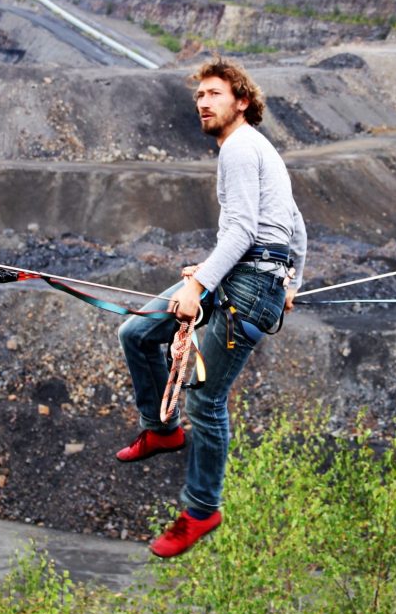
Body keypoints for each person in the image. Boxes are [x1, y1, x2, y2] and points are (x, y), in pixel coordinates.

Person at [116, 58, 308, 558]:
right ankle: (161, 432)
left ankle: (202, 509)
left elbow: (244, 233)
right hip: (247, 278)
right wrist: (293, 281)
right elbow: (295, 224)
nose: (203, 102)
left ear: (242, 101)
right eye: (199, 95)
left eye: (215, 93)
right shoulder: (255, 150)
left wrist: (199, 283)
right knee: (137, 333)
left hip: (246, 289)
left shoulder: (241, 148)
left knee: (206, 399)